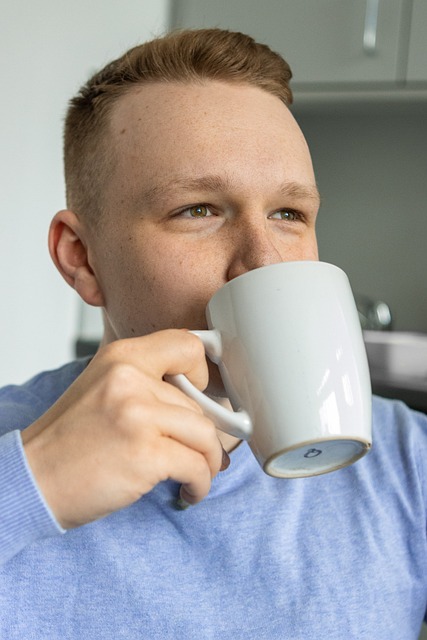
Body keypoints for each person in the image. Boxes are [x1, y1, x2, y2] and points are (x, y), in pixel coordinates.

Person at [0, 28, 426, 639]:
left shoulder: (407, 462)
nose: (264, 259)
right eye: (197, 209)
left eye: (288, 214)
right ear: (82, 259)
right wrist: (32, 484)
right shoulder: (15, 454)